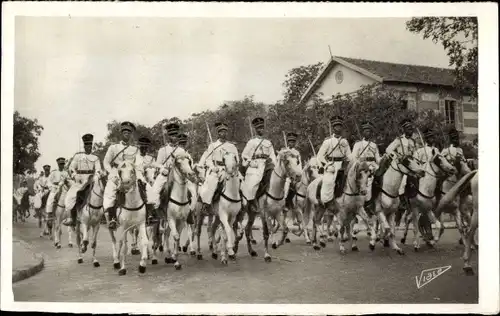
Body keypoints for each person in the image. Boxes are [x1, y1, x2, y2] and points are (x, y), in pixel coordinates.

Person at [103, 121, 145, 230]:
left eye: (129, 132)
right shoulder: (113, 148)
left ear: (131, 134)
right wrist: (112, 173)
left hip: (131, 174)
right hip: (117, 173)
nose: (127, 134)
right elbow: (106, 162)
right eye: (125, 132)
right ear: (121, 133)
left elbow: (139, 163)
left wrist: (138, 173)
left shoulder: (135, 149)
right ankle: (112, 218)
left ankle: (149, 214)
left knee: (147, 188)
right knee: (110, 193)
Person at [198, 122, 240, 214]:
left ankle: (242, 205)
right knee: (212, 184)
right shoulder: (212, 145)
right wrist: (213, 168)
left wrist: (234, 168)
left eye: (225, 131)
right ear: (218, 133)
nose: (223, 133)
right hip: (217, 169)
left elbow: (237, 160)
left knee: (242, 183)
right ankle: (207, 204)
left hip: (230, 170)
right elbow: (208, 160)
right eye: (221, 132)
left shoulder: (232, 146)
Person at [63, 133, 103, 227]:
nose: (88, 147)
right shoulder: (78, 157)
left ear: (91, 146)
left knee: (102, 193)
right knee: (70, 196)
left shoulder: (95, 158)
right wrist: (75, 175)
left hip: (91, 180)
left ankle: (106, 215)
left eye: (90, 145)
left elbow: (98, 169)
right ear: (84, 146)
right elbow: (71, 168)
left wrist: (95, 177)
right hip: (79, 180)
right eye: (86, 145)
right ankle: (72, 218)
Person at [240, 117, 277, 211]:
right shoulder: (251, 142)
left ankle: (277, 201)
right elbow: (244, 154)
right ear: (255, 130)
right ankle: (251, 202)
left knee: (276, 180)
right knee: (252, 183)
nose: (261, 130)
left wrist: (274, 164)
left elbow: (273, 156)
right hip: (255, 165)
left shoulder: (268, 142)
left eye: (262, 128)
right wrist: (250, 162)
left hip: (266, 165)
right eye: (259, 128)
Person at [316, 115, 351, 202]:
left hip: (342, 166)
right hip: (331, 165)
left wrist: (350, 162)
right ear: (333, 127)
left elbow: (349, 156)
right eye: (336, 126)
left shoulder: (344, 141)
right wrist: (327, 164)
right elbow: (320, 156)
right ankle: (326, 201)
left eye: (339, 126)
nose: (338, 128)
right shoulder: (328, 141)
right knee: (328, 182)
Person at [151, 122, 183, 209]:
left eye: (175, 135)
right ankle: (156, 210)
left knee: (192, 191)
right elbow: (157, 164)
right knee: (154, 192)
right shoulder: (162, 150)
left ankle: (190, 211)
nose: (174, 137)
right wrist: (162, 169)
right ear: (168, 136)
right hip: (165, 175)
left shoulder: (181, 150)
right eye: (172, 135)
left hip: (178, 176)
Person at [282, 132, 302, 213]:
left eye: (293, 142)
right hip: (286, 174)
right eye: (290, 141)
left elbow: (299, 164)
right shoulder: (284, 151)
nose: (291, 143)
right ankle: (286, 203)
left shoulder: (297, 153)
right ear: (287, 141)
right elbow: (279, 162)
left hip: (295, 174)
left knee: (300, 186)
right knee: (286, 186)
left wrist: (299, 174)